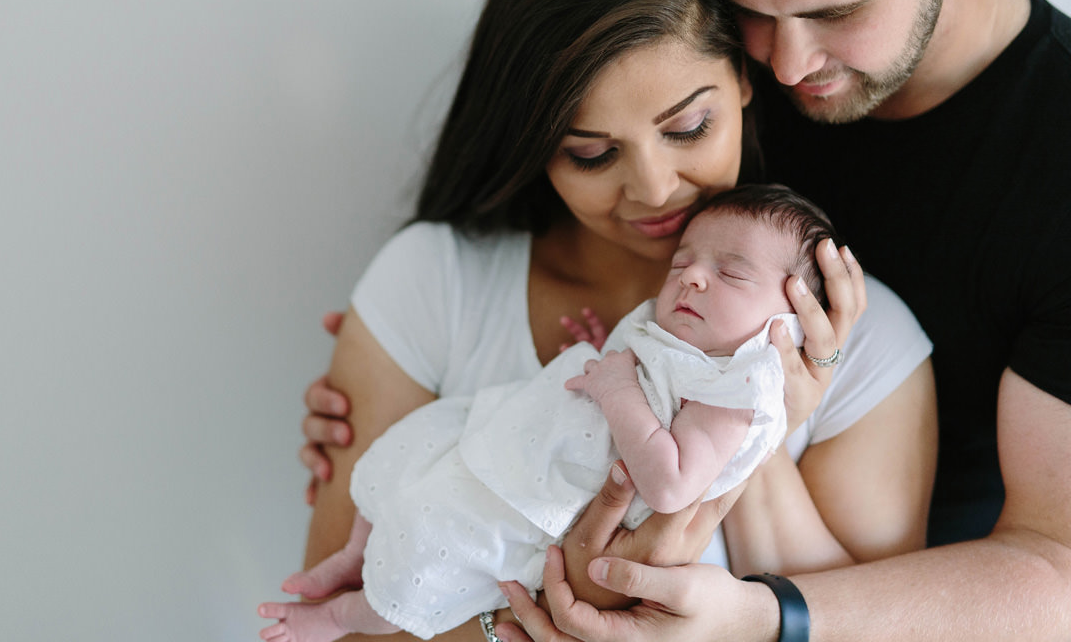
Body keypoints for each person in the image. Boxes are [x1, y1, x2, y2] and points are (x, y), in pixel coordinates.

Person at [281, 0, 936, 642]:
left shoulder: (869, 345)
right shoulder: (434, 282)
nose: (654, 188)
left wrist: (757, 419)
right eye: (592, 153)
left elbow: (866, 622)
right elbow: (331, 625)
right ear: (535, 146)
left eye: (689, 127)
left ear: (745, 82)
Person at [492, 0, 1071, 641]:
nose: (788, 64)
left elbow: (1057, 572)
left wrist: (768, 616)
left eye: (838, 12)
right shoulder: (716, 64)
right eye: (753, 12)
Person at [262, 185, 834, 642]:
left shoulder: (732, 394)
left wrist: (616, 388)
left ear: (790, 321)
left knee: (435, 547)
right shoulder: (679, 338)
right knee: (412, 446)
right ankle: (353, 553)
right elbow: (637, 366)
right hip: (512, 430)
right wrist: (606, 353)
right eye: (682, 262)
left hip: (542, 498)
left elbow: (671, 483)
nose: (692, 275)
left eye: (731, 273)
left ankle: (349, 614)